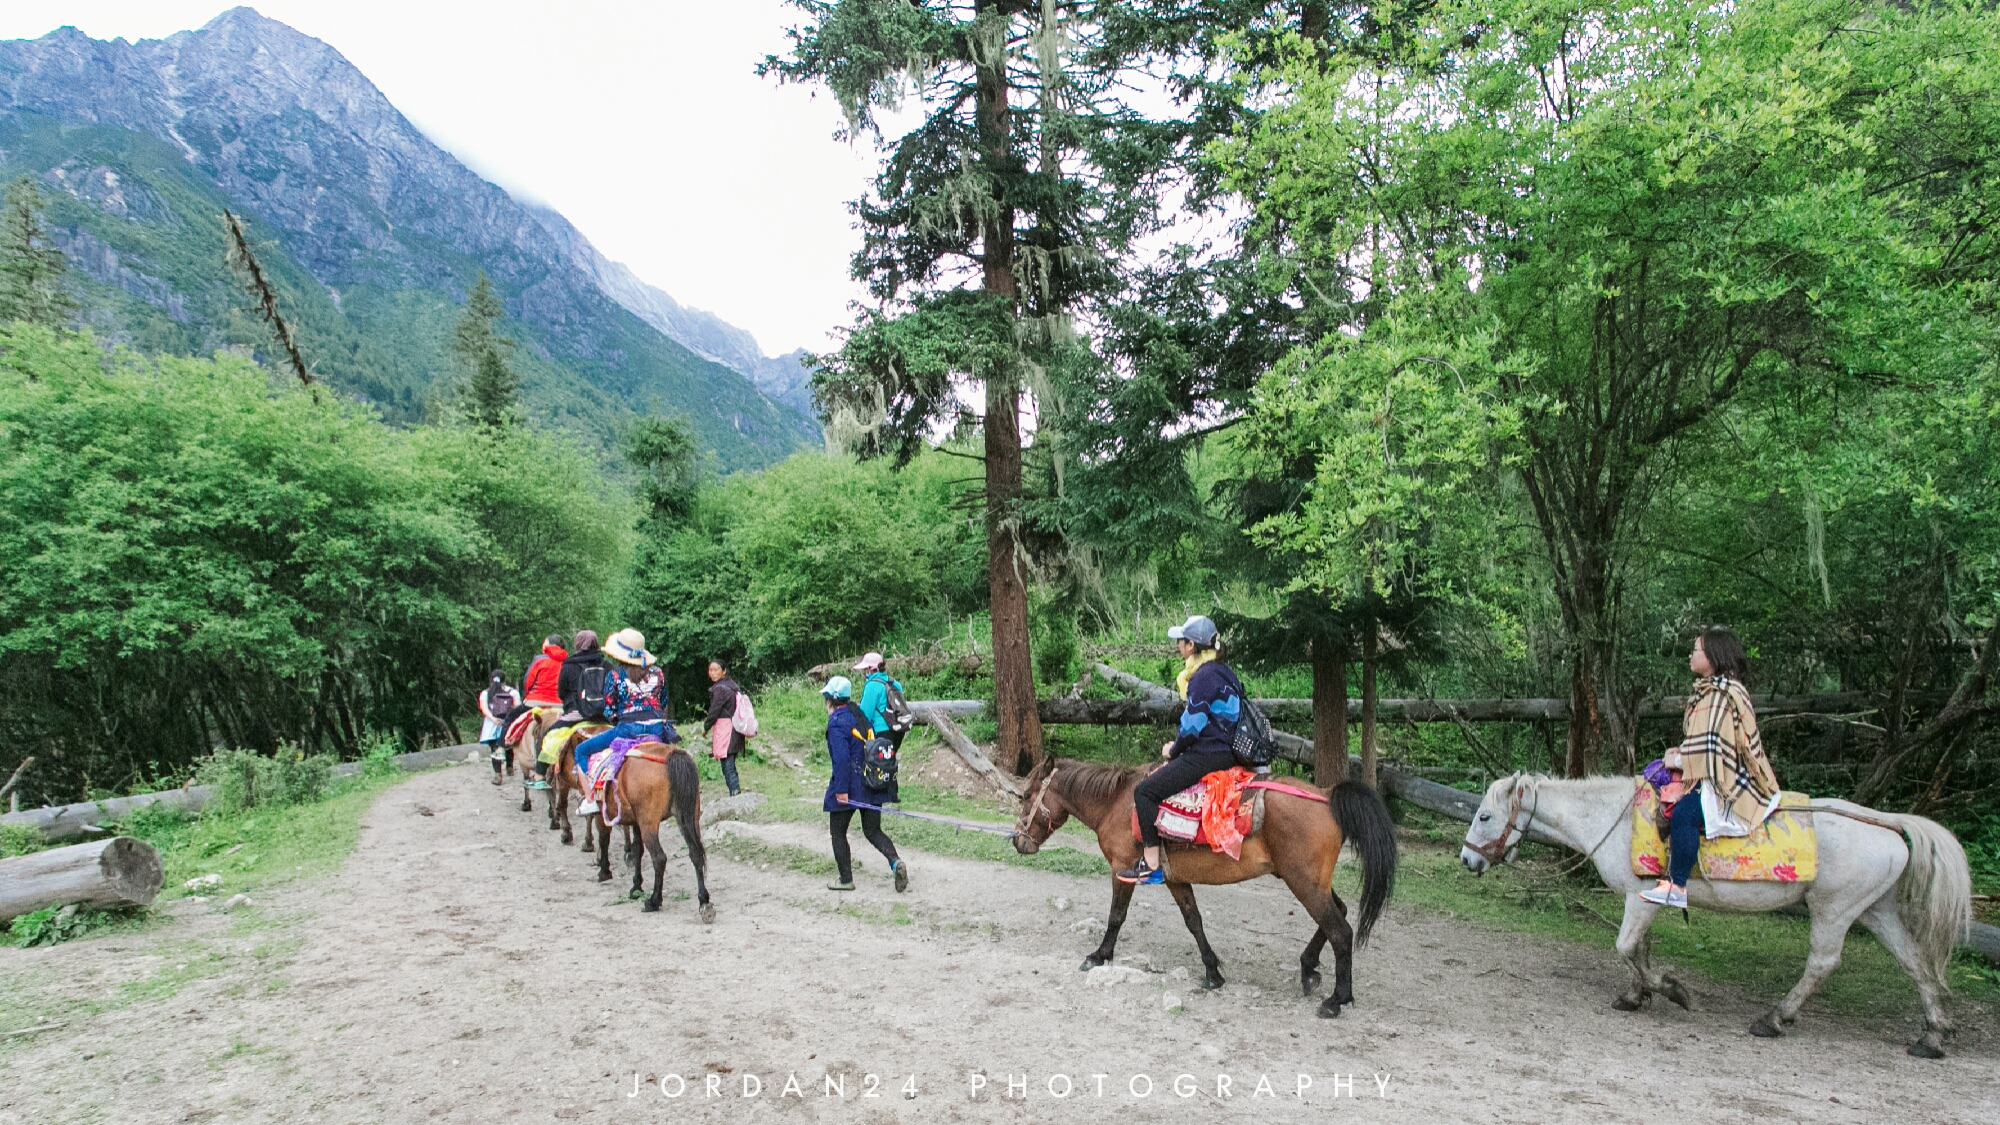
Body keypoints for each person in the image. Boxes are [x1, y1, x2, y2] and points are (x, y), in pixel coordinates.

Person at [1642, 626, 1782, 909]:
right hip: (1711, 775)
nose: (1691, 655)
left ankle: (1677, 885)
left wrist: (1679, 761)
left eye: (1696, 650)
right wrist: (1680, 753)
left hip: (1728, 781)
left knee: (1684, 813)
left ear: (1714, 656)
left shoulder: (1724, 694)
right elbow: (1705, 744)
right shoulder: (1709, 693)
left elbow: (1717, 751)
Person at [1118, 615, 1244, 886]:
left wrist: (1173, 750)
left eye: (1181, 641)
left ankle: (1151, 864)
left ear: (1191, 645)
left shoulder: (1201, 678)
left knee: (1145, 791)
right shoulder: (1226, 673)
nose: (1178, 645)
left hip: (1206, 754)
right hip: (1227, 752)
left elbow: (1192, 728)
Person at [572, 629, 673, 817]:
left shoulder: (615, 676)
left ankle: (591, 799)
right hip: (657, 730)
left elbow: (609, 710)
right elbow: (664, 701)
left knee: (581, 750)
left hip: (628, 730)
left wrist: (618, 717)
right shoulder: (658, 673)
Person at [821, 676, 908, 893]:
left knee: (838, 832)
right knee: (873, 830)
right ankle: (895, 862)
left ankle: (845, 879)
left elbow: (841, 760)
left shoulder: (837, 722)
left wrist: (840, 791)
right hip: (871, 782)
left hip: (850, 786)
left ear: (831, 699)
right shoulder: (859, 715)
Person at [703, 659, 746, 798]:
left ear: (724, 671)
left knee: (727, 765)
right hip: (735, 728)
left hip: (726, 729)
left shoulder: (720, 689)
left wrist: (706, 727)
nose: (713, 673)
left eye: (716, 670)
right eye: (711, 670)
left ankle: (735, 794)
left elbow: (714, 711)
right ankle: (735, 793)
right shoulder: (732, 685)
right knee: (730, 763)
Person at [854, 652, 907, 755]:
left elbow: (865, 715)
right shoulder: (895, 683)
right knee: (889, 764)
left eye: (865, 669)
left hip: (880, 733)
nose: (864, 672)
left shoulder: (872, 686)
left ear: (870, 669)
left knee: (878, 766)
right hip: (898, 731)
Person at [478, 671, 517, 783]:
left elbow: (484, 709)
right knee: (508, 745)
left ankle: (498, 774)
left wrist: (493, 719)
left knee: (495, 749)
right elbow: (518, 706)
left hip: (492, 726)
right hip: (508, 724)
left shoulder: (485, 693)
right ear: (505, 680)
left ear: (491, 679)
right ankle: (509, 766)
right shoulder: (512, 692)